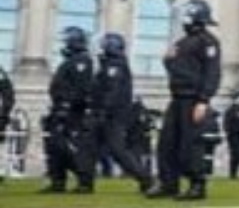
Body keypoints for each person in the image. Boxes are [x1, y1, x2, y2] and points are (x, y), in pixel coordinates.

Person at [145, 0, 222, 201]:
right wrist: (168, 59)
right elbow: (176, 70)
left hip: (193, 99)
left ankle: (197, 184)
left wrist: (203, 100)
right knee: (167, 142)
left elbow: (212, 73)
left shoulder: (208, 41)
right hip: (177, 98)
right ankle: (168, 182)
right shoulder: (181, 43)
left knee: (191, 143)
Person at [91, 33, 154, 193]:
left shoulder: (115, 65)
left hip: (113, 114)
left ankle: (145, 178)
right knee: (90, 146)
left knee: (117, 149)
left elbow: (111, 91)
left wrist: (103, 109)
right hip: (108, 113)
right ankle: (83, 180)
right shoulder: (110, 65)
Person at [41, 27, 96, 194]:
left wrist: (67, 105)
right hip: (59, 108)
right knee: (53, 144)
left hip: (72, 111)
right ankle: (58, 180)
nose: (64, 45)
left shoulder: (82, 61)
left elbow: (81, 88)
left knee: (68, 146)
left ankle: (84, 180)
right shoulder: (70, 61)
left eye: (67, 41)